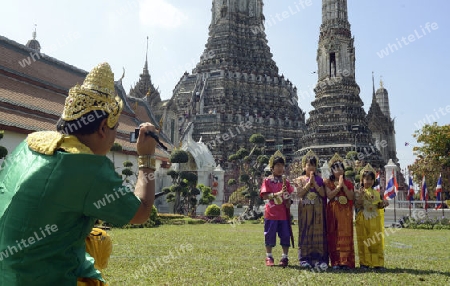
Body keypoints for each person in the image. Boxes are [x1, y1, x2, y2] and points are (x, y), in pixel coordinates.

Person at [0, 63, 157, 285]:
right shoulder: (87, 166)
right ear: (103, 128)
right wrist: (147, 158)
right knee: (99, 246)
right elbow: (141, 213)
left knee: (95, 238)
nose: (114, 138)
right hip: (42, 279)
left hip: (5, 272)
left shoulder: (30, 142)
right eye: (115, 130)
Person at [259, 150, 294, 267]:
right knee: (269, 234)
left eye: (282, 165)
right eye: (277, 165)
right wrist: (278, 193)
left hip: (283, 213)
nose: (280, 168)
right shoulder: (267, 180)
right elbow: (264, 196)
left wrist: (288, 199)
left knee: (285, 235)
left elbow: (289, 198)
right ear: (272, 167)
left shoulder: (286, 182)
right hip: (271, 213)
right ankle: (269, 256)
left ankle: (285, 257)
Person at [295, 150, 328, 270]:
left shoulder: (321, 180)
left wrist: (316, 184)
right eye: (309, 165)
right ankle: (304, 259)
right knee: (305, 232)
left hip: (318, 210)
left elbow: (324, 194)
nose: (311, 167)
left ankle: (319, 259)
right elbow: (300, 194)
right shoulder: (299, 179)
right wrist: (309, 183)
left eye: (313, 165)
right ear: (304, 166)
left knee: (318, 234)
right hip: (305, 209)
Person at [355, 163, 389, 270]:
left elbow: (379, 205)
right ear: (362, 180)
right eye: (366, 179)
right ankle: (364, 263)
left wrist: (383, 203)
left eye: (371, 179)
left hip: (375, 219)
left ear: (374, 181)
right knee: (363, 240)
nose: (368, 182)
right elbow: (357, 205)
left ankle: (377, 263)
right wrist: (360, 196)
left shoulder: (377, 193)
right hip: (363, 218)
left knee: (376, 240)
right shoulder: (359, 191)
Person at [324, 154, 355, 270]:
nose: (339, 170)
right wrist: (338, 187)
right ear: (332, 171)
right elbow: (329, 195)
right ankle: (336, 262)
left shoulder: (349, 183)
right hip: (333, 210)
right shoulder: (328, 182)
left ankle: (346, 261)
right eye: (336, 168)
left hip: (345, 211)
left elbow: (351, 197)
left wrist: (344, 186)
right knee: (334, 234)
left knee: (345, 234)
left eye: (341, 168)